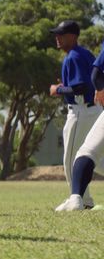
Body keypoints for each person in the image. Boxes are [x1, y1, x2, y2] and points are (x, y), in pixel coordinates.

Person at [47, 21, 102, 211]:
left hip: (81, 111)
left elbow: (81, 87)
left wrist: (58, 89)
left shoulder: (74, 56)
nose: (57, 38)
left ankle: (79, 199)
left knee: (71, 157)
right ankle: (83, 199)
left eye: (61, 34)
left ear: (73, 36)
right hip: (94, 109)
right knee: (96, 156)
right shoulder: (85, 53)